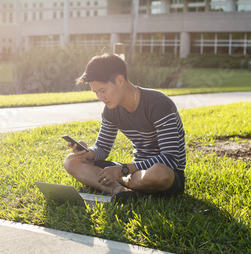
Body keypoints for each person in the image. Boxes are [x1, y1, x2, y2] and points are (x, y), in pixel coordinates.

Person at [63, 53, 186, 203]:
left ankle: (106, 183)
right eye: (96, 92)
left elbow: (170, 158)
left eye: (103, 91)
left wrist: (123, 170)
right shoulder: (111, 110)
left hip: (164, 174)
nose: (100, 98)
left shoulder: (159, 104)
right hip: (132, 172)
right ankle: (119, 190)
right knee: (71, 161)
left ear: (120, 80)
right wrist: (87, 154)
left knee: (159, 173)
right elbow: (102, 147)